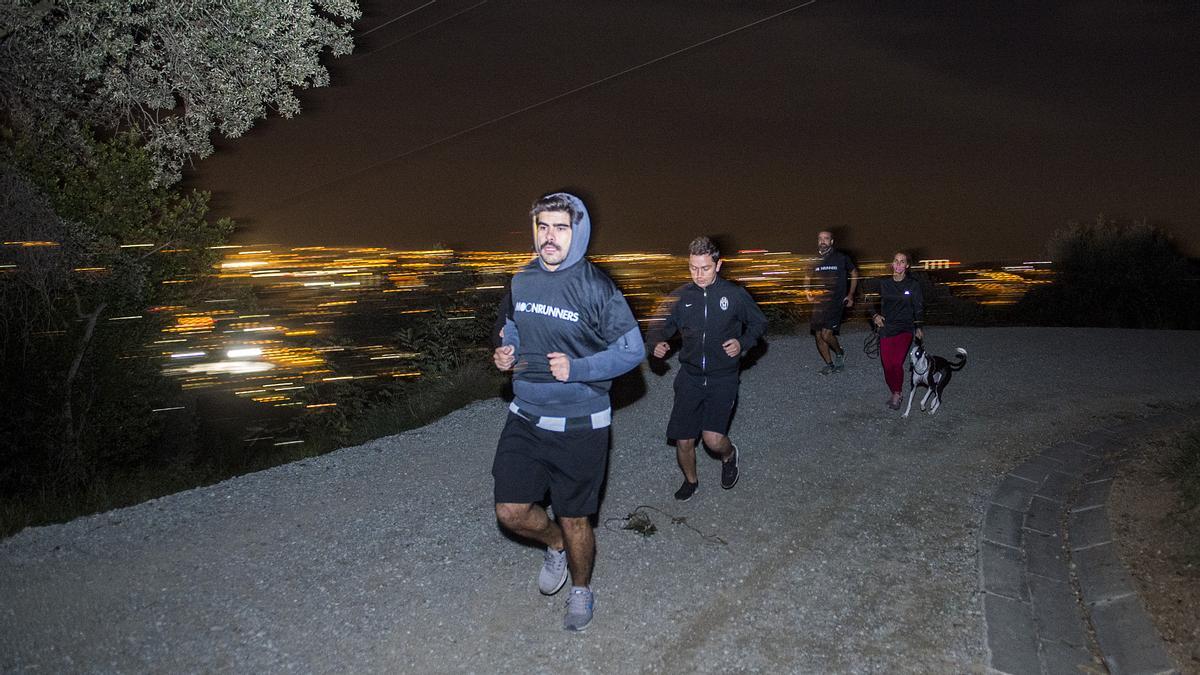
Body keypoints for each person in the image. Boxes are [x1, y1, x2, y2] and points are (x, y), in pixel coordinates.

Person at [491, 192, 643, 632]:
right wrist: (507, 352)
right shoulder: (522, 281)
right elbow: (516, 326)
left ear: (578, 231)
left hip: (581, 422)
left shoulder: (597, 287)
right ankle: (554, 542)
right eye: (543, 226)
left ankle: (581, 589)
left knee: (576, 516)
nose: (549, 237)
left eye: (560, 227)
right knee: (511, 511)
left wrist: (579, 369)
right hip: (526, 414)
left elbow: (632, 350)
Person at [648, 236, 767, 501]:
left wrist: (743, 342)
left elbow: (759, 323)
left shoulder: (734, 295)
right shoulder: (681, 296)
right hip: (689, 376)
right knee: (684, 440)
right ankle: (691, 481)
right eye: (693, 268)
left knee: (713, 440)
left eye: (705, 268)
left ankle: (730, 455)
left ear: (718, 265)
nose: (699, 274)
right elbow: (658, 325)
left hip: (722, 376)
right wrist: (655, 343)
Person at [870, 251, 924, 410]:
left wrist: (919, 327)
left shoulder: (913, 285)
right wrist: (875, 316)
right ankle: (894, 390)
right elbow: (869, 303)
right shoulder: (883, 284)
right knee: (887, 365)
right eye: (896, 261)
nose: (899, 264)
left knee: (896, 363)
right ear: (892, 264)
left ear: (907, 265)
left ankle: (897, 393)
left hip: (905, 329)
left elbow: (918, 307)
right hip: (886, 328)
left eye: (902, 261)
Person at [806, 230, 858, 374]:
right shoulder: (814, 259)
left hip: (836, 301)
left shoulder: (841, 258)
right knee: (818, 334)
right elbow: (807, 276)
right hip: (819, 302)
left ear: (832, 242)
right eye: (820, 239)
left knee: (826, 334)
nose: (823, 241)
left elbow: (854, 273)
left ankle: (840, 352)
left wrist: (851, 294)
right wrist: (807, 291)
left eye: (826, 239)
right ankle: (829, 364)